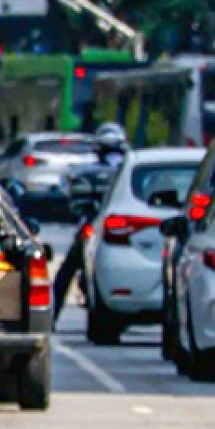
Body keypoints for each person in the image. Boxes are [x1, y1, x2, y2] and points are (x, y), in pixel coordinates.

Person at [52, 123, 130, 319]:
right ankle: (51, 314)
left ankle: (52, 315)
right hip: (102, 225)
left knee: (66, 272)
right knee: (68, 269)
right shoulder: (97, 171)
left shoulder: (125, 172)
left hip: (115, 227)